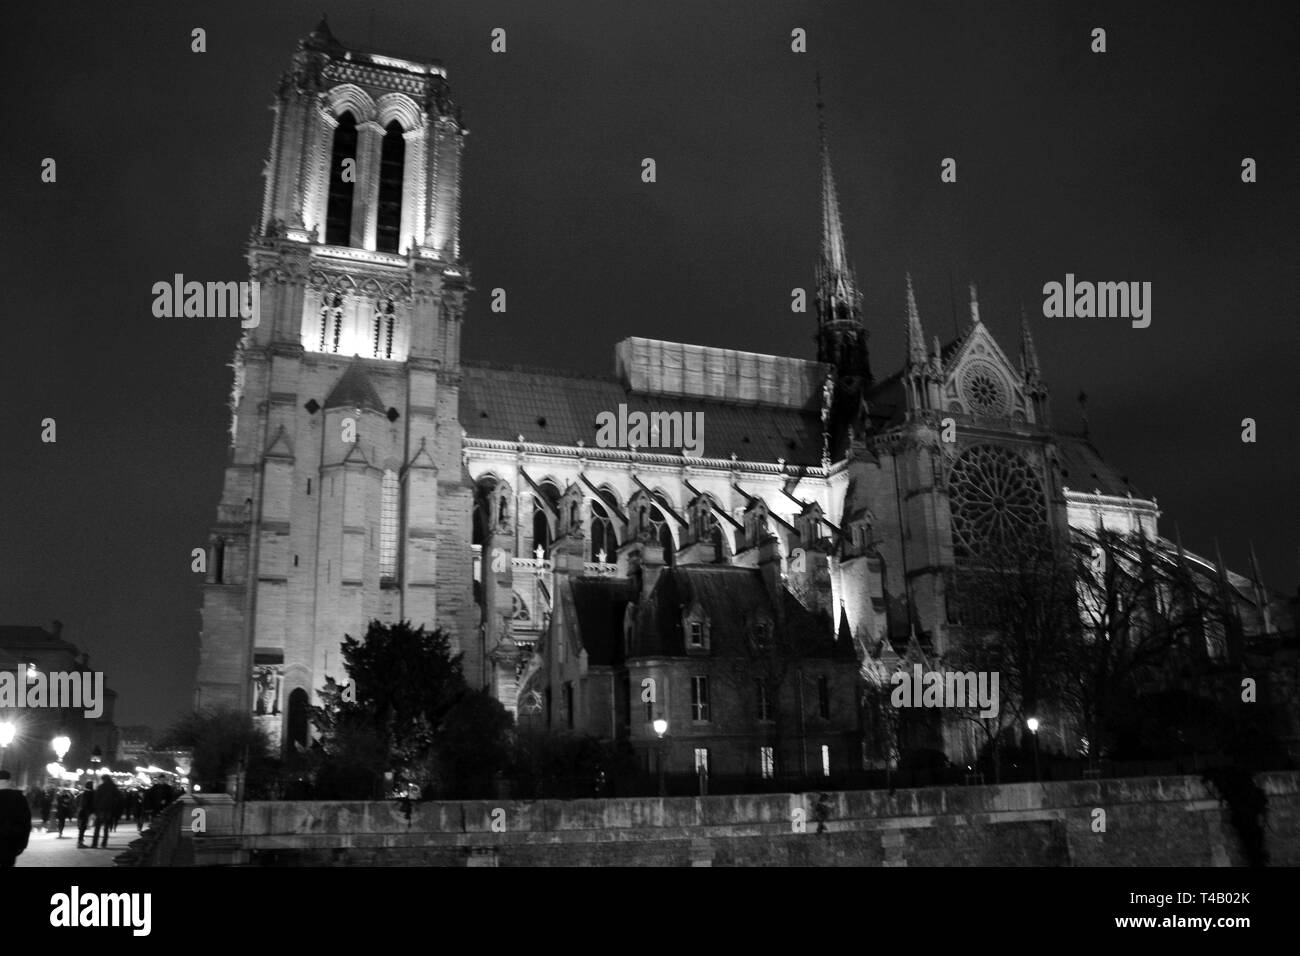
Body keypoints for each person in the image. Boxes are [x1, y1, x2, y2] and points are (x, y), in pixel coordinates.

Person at [0, 771, 33, 867]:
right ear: (9, 780)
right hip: (10, 843)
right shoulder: (19, 798)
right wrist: (22, 844)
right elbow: (26, 822)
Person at [91, 774, 119, 849]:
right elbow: (118, 799)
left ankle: (94, 843)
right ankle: (104, 843)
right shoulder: (114, 787)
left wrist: (95, 810)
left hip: (100, 809)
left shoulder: (100, 787)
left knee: (97, 827)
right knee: (106, 828)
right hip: (109, 810)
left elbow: (96, 799)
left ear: (103, 780)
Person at [75, 781, 94, 848]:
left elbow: (77, 802)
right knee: (82, 827)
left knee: (82, 827)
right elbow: (87, 804)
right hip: (85, 812)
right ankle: (80, 842)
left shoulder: (82, 793)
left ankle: (80, 841)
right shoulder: (89, 793)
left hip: (81, 812)